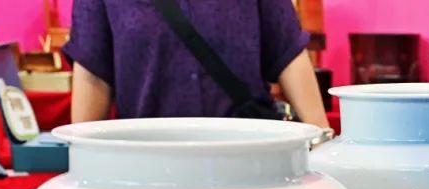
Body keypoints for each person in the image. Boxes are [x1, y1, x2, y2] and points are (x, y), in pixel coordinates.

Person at [64, 0, 329, 126]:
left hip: (245, 155)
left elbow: (288, 53)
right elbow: (93, 68)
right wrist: (82, 163)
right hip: (148, 160)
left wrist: (321, 141)